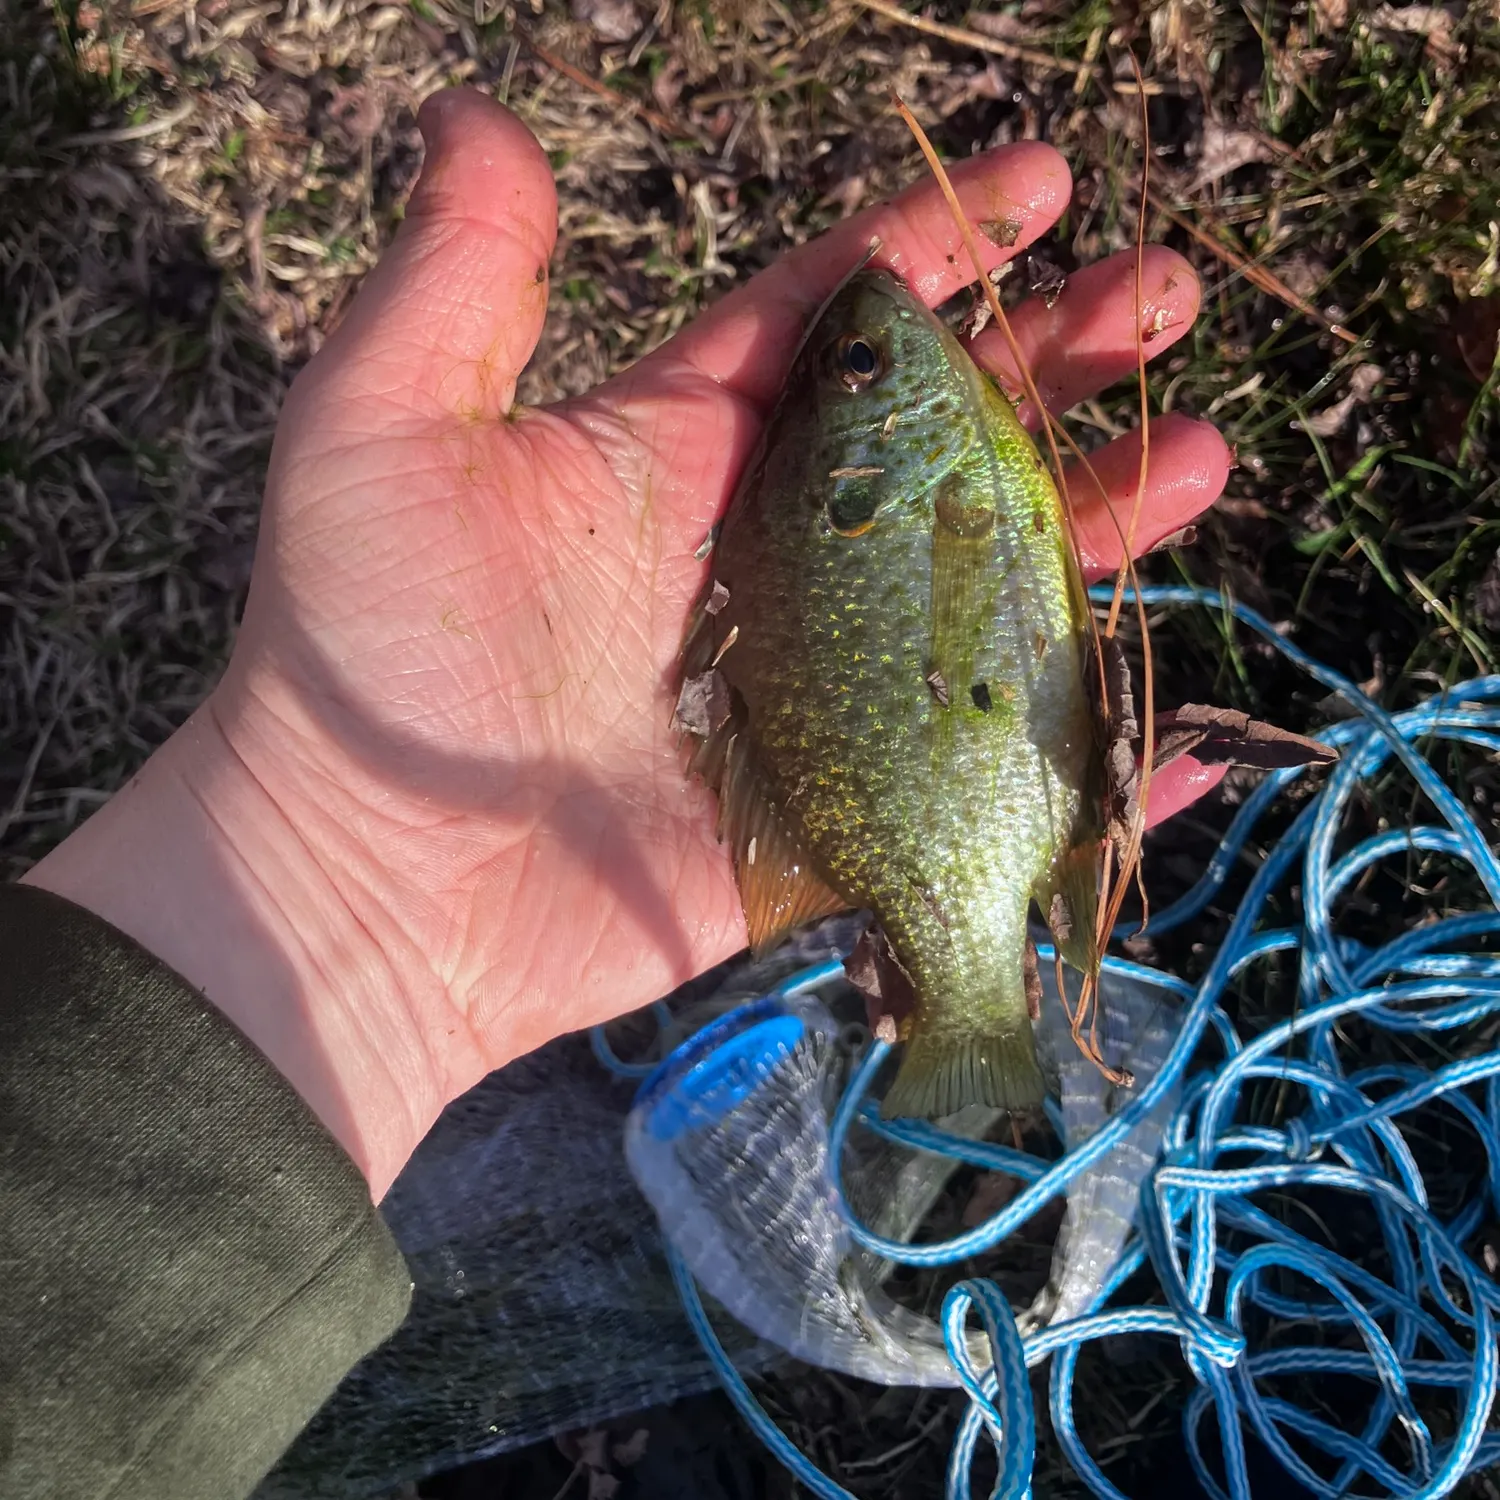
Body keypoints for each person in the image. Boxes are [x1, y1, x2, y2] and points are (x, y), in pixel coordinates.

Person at [0, 89, 1229, 1498]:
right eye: (866, 376)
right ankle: (979, 1037)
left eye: (859, 371)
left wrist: (313, 834)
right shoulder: (948, 477)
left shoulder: (914, 482)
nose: (887, 346)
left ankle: (978, 1038)